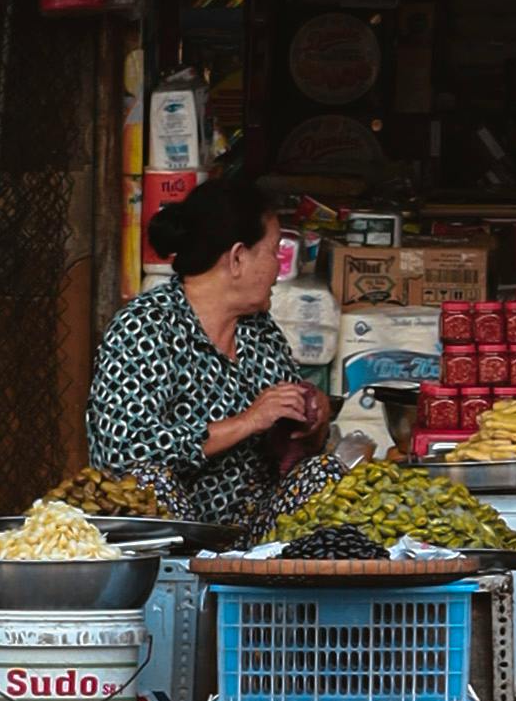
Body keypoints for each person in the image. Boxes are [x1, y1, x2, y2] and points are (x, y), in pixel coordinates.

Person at [84, 173, 334, 538]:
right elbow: (122, 452)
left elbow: (288, 443)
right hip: (175, 534)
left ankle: (278, 584)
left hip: (255, 530)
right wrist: (247, 421)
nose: (278, 272)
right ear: (236, 258)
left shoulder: (259, 330)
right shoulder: (147, 327)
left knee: (323, 473)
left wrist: (311, 420)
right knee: (147, 480)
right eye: (272, 252)